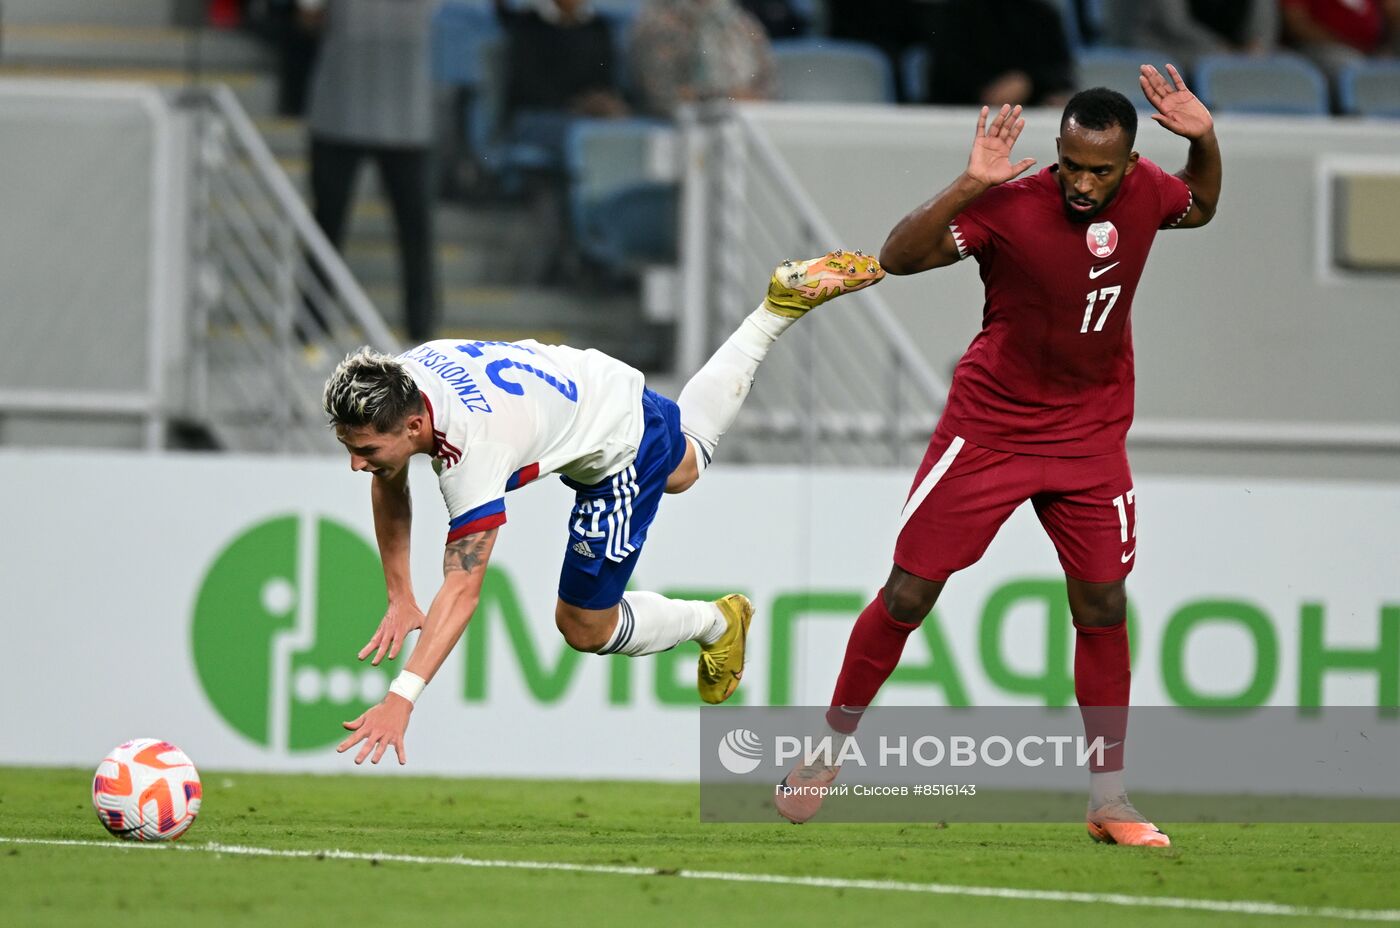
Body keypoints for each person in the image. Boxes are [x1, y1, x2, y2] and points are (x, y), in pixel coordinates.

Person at [775, 67, 1221, 847]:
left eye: (1100, 171)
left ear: (1128, 163)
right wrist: (968, 182)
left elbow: (1203, 206)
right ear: (1057, 149)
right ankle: (829, 747)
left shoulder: (1151, 189)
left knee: (1103, 606)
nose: (1083, 183)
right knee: (909, 594)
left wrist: (1208, 140)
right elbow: (897, 257)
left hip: (1090, 435)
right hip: (989, 431)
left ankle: (1108, 799)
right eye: (1072, 164)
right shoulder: (1006, 206)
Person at [327, 250, 885, 766]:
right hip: (590, 379)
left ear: (415, 426)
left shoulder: (474, 449)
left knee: (583, 626)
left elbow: (463, 589)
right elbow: (389, 476)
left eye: (365, 451)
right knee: (685, 465)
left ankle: (717, 621)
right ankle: (773, 311)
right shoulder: (404, 379)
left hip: (615, 444)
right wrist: (400, 593)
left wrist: (402, 697)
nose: (357, 465)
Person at [300, 0, 438, 342]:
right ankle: (309, 330)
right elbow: (308, 18)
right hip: (341, 105)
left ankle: (422, 334)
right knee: (327, 224)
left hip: (407, 110)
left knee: (415, 229)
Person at [628, 0, 776, 118]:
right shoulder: (656, 24)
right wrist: (725, 99)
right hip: (681, 132)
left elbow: (768, 87)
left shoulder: (744, 23)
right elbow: (660, 96)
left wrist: (748, 99)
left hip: (744, 126)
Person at [925, 0, 1076, 109]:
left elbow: (1061, 74)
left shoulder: (1043, 16)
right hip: (964, 115)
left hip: (1029, 115)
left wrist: (1028, 82)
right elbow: (946, 72)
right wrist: (988, 89)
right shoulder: (954, 14)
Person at [1102, 0, 1278, 68]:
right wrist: (1220, 49)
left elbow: (1263, 23)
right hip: (1165, 47)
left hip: (1232, 54)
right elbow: (1173, 23)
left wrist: (1258, 46)